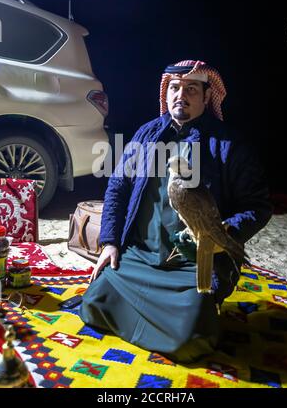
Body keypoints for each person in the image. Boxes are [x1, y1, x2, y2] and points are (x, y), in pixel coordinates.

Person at [79, 59, 273, 362]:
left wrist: (221, 234)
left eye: (192, 89)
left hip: (194, 264)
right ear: (165, 92)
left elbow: (258, 206)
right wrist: (110, 242)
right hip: (139, 255)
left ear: (207, 97)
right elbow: (118, 187)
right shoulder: (145, 135)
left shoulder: (229, 145)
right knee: (93, 303)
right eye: (175, 87)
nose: (181, 95)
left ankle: (189, 314)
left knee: (191, 339)